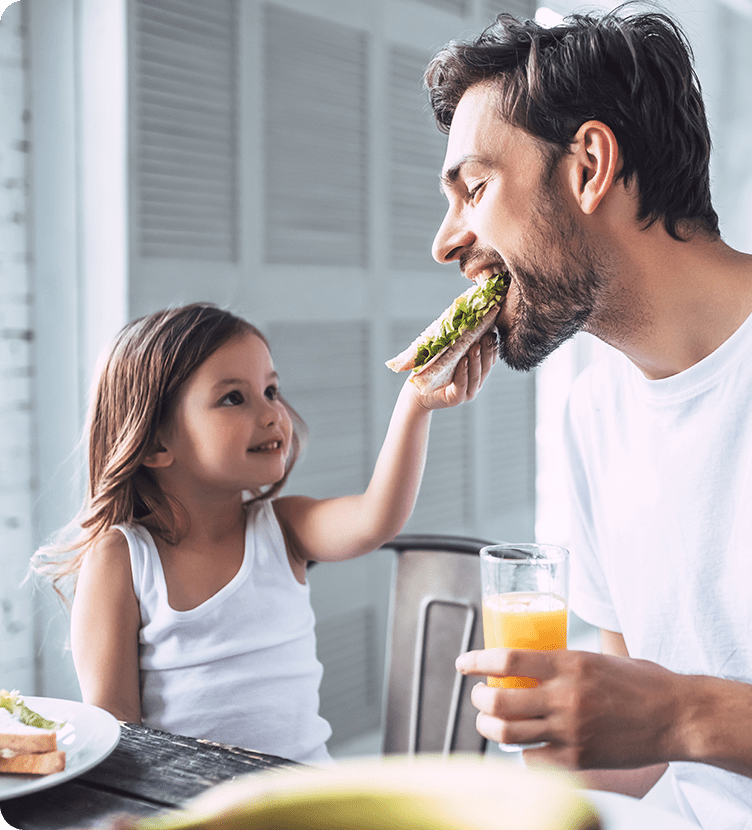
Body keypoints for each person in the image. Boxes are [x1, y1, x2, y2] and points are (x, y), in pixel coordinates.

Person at [424, 6, 752, 829]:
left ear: (588, 165)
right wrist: (557, 729)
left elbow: (672, 718)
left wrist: (678, 714)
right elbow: (646, 747)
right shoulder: (593, 413)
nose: (447, 242)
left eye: (474, 189)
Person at [34, 302, 495, 765]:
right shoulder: (122, 558)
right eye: (234, 397)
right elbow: (116, 731)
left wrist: (416, 402)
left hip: (307, 801)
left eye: (271, 390)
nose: (273, 413)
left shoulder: (283, 528)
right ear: (156, 442)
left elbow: (376, 517)